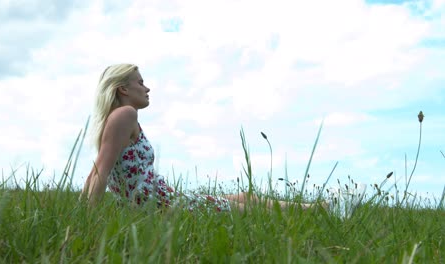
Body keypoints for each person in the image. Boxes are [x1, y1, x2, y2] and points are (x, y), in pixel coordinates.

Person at [81, 63, 322, 212]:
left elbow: (95, 171)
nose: (147, 88)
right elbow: (100, 172)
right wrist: (88, 224)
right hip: (163, 206)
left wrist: (81, 213)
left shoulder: (116, 119)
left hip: (167, 199)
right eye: (141, 83)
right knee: (252, 211)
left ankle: (318, 209)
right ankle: (319, 212)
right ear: (123, 89)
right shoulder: (125, 114)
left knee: (246, 197)